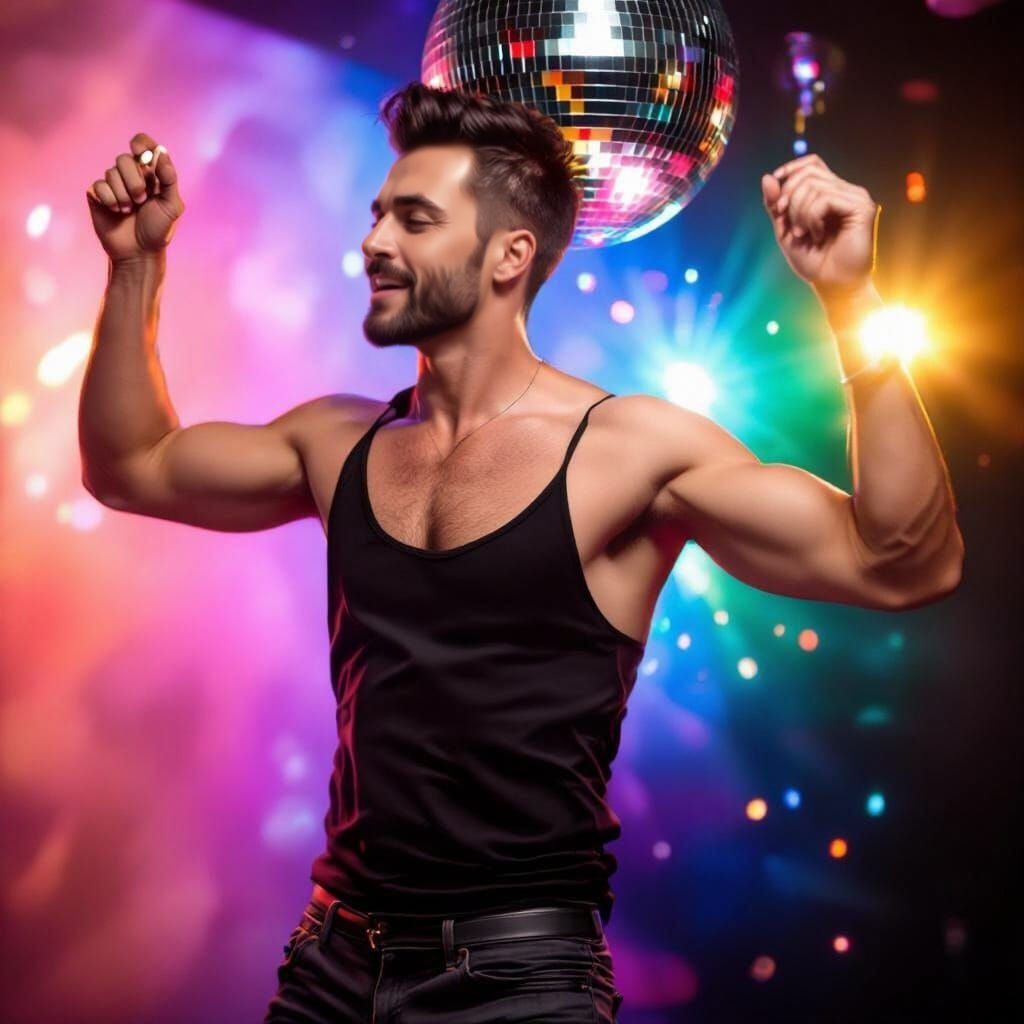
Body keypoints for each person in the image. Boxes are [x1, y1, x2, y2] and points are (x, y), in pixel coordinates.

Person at [80, 82, 964, 1023]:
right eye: (379, 216)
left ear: (510, 255)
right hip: (330, 969)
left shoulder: (634, 453)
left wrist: (850, 297)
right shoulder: (334, 442)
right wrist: (136, 266)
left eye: (413, 221)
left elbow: (905, 560)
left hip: (518, 985)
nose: (374, 244)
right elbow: (132, 467)